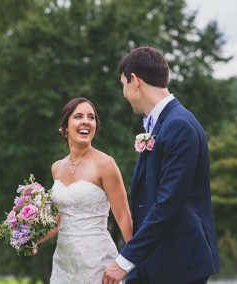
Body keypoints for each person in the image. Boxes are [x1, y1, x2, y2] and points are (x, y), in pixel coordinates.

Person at [103, 46, 220, 284]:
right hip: (159, 260)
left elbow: (168, 203)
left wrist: (125, 260)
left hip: (179, 262)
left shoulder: (179, 125)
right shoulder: (162, 124)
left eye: (123, 84)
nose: (123, 93)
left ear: (135, 81)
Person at [38, 97, 133, 283]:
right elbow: (59, 221)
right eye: (78, 116)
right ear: (65, 127)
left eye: (91, 117)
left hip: (97, 263)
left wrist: (132, 261)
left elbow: (123, 218)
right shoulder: (56, 168)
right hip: (63, 266)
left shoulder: (105, 164)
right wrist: (30, 238)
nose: (86, 121)